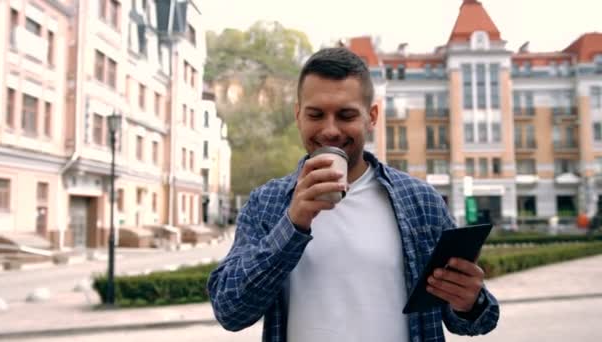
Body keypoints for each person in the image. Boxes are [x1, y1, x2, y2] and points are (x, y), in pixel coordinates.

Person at [208, 48, 499, 342]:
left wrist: (469, 302)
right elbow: (230, 311)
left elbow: (476, 320)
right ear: (298, 115)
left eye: (346, 115)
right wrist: (293, 224)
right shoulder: (267, 203)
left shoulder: (421, 201)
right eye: (316, 115)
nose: (330, 130)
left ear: (371, 117)